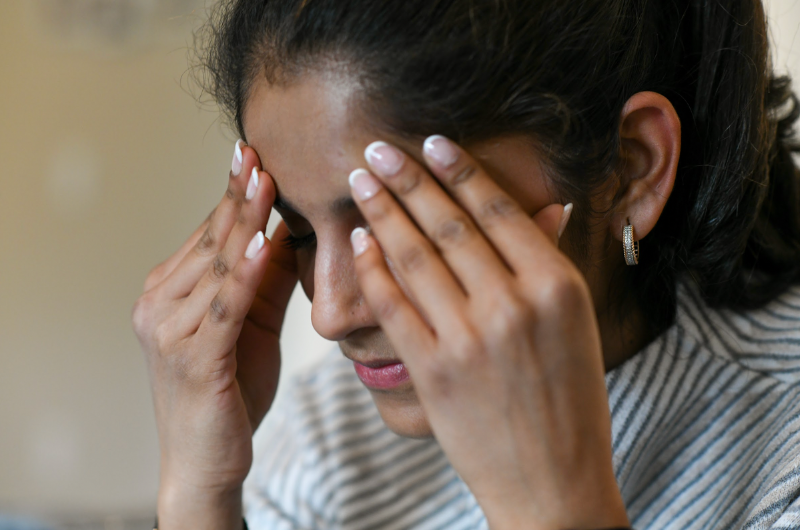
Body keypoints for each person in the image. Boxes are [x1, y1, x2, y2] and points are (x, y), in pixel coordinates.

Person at [131, 0, 800, 528]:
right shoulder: (330, 441)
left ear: (630, 170)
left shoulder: (781, 459)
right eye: (301, 233)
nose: (330, 314)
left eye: (401, 221)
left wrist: (557, 514)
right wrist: (198, 497)